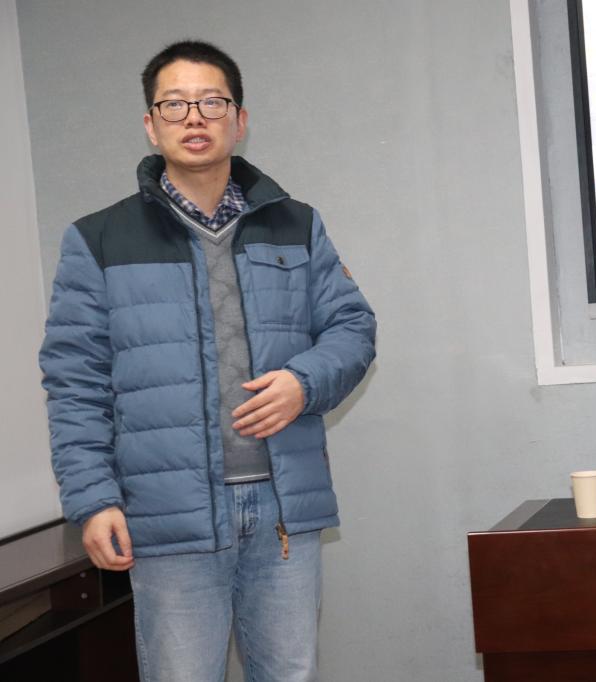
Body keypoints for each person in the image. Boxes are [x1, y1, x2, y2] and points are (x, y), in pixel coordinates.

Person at [38, 40, 376, 681]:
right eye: (174, 104)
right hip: (168, 515)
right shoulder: (98, 239)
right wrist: (93, 499)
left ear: (239, 120)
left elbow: (353, 329)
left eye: (212, 102)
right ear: (151, 124)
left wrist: (304, 383)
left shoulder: (296, 224)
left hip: (281, 506)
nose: (194, 117)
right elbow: (75, 383)